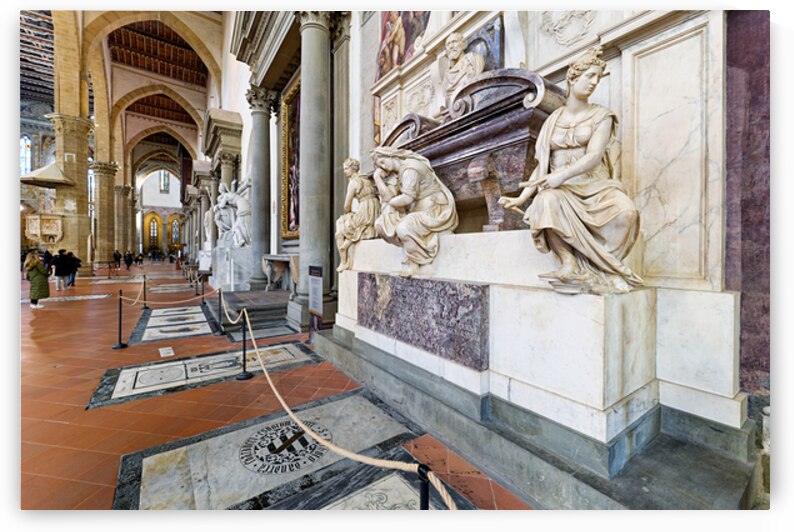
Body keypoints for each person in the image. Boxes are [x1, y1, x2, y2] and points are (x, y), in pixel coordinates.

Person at [498, 47, 642, 294]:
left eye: (598, 78)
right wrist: (521, 198)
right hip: (561, 189)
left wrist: (560, 175)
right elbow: (543, 165)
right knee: (546, 201)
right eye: (590, 76)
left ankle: (605, 268)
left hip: (595, 187)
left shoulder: (602, 116)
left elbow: (594, 156)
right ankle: (569, 263)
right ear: (572, 78)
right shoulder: (553, 120)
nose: (594, 82)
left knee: (627, 213)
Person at [371, 146, 458, 277]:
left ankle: (418, 262)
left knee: (402, 228)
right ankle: (413, 253)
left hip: (435, 211)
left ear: (390, 155)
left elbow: (407, 198)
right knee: (381, 224)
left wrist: (390, 202)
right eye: (380, 165)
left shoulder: (410, 169)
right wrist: (377, 177)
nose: (383, 167)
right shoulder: (398, 172)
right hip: (418, 210)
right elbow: (388, 196)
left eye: (383, 162)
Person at [335, 158, 381, 272]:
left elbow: (347, 205)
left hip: (365, 210)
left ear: (353, 169)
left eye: (346, 169)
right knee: (348, 224)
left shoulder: (353, 183)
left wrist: (349, 213)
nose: (345, 171)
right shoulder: (366, 179)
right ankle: (346, 245)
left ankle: (344, 261)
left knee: (340, 224)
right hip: (375, 209)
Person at [442, 32, 485, 107]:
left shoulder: (474, 60)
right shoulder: (447, 76)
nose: (451, 46)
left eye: (454, 42)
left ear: (463, 44)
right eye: (448, 44)